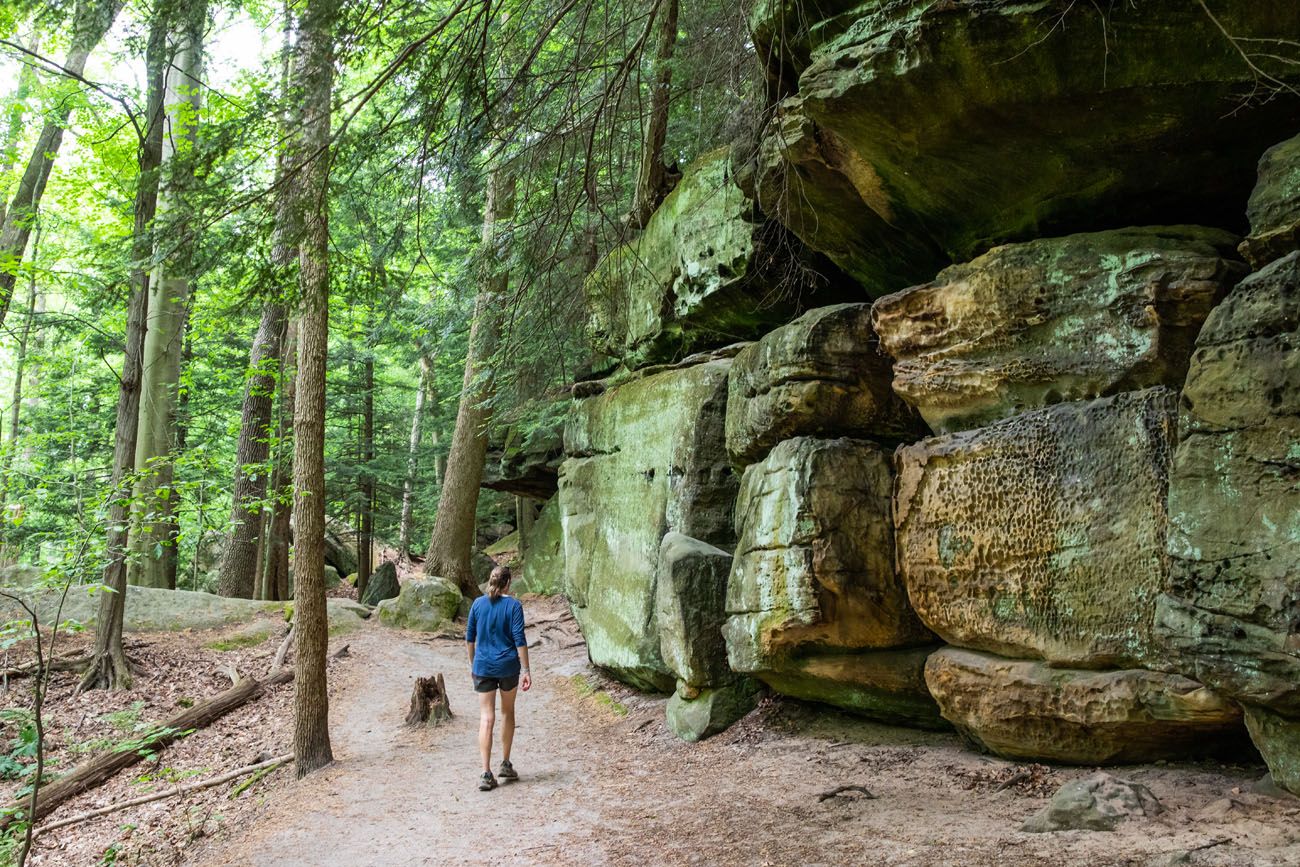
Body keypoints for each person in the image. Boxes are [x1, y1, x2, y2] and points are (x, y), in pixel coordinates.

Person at [465, 565, 531, 791]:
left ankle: (485, 773)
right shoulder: (513, 606)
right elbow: (519, 639)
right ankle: (505, 763)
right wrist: (526, 670)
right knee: (507, 712)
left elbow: (470, 639)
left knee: (486, 718)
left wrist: (473, 664)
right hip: (508, 666)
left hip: (483, 666)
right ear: (508, 583)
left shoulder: (477, 604)